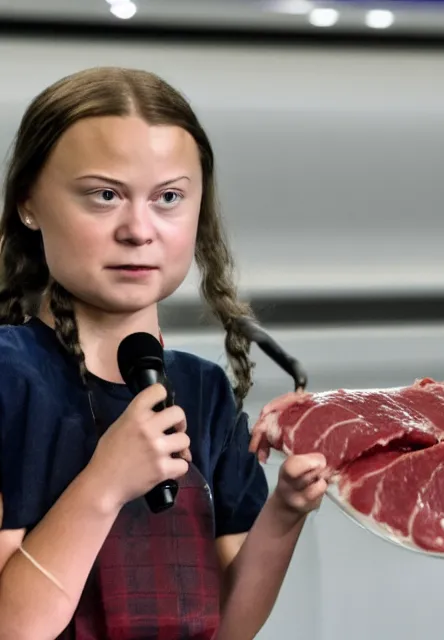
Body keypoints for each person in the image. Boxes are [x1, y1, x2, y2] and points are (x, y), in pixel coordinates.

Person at [0, 67, 329, 640]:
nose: (138, 229)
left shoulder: (204, 392)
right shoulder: (9, 378)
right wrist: (106, 481)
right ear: (29, 203)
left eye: (169, 198)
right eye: (105, 196)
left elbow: (227, 626)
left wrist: (285, 511)